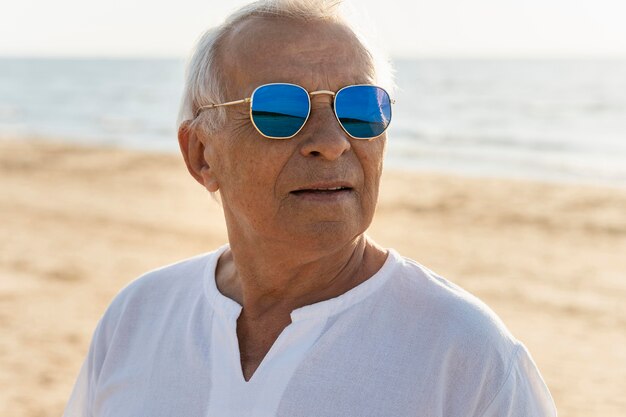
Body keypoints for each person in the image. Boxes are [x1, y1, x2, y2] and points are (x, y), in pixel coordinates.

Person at [63, 1, 557, 416]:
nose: (332, 142)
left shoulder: (467, 354)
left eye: (360, 108)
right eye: (280, 110)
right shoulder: (138, 317)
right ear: (201, 154)